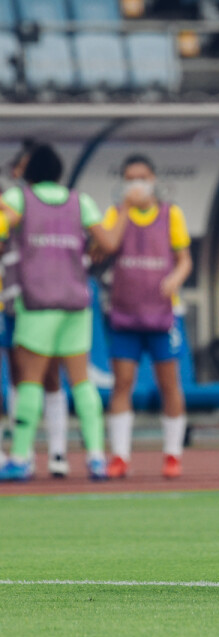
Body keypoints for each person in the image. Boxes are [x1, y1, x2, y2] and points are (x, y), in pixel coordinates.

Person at [0, 144, 118, 482]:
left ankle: (21, 457)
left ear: (29, 172)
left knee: (30, 382)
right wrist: (90, 249)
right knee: (81, 382)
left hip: (36, 303)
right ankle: (96, 457)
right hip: (75, 302)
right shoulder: (79, 201)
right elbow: (108, 243)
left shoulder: (22, 200)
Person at [101, 155, 192, 481]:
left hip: (163, 315)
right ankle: (120, 456)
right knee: (122, 382)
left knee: (169, 383)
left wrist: (174, 280)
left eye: (141, 177)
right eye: (130, 178)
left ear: (153, 178)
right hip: (125, 313)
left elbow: (185, 260)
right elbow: (107, 248)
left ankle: (172, 454)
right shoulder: (115, 213)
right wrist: (124, 208)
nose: (136, 184)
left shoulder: (171, 214)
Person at [0, 142, 69, 479]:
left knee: (44, 374)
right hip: (16, 299)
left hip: (35, 300)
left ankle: (54, 452)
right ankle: (17, 449)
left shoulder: (35, 201)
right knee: (20, 374)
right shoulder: (13, 199)